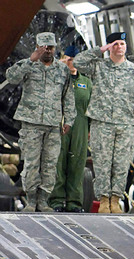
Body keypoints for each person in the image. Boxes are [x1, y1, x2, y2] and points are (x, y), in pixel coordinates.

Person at [73, 32, 134, 214]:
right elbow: (78, 62)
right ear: (109, 47)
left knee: (121, 164)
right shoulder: (99, 66)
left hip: (126, 124)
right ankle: (104, 200)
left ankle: (115, 199)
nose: (119, 47)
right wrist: (100, 50)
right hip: (102, 123)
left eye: (122, 43)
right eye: (115, 44)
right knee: (102, 163)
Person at [6, 32, 76, 212]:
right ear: (37, 47)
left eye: (51, 48)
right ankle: (31, 201)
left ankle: (43, 200)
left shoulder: (62, 70)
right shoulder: (28, 65)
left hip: (53, 125)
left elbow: (68, 96)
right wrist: (30, 60)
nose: (47, 51)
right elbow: (12, 77)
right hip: (31, 123)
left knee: (50, 164)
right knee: (31, 163)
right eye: (44, 47)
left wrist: (69, 119)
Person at [48, 45, 92, 213]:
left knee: (77, 163)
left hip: (80, 124)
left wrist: (89, 129)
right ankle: (56, 200)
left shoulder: (86, 82)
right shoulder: (56, 78)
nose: (72, 63)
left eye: (75, 60)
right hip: (61, 122)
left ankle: (74, 202)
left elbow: (91, 106)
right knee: (58, 162)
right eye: (69, 59)